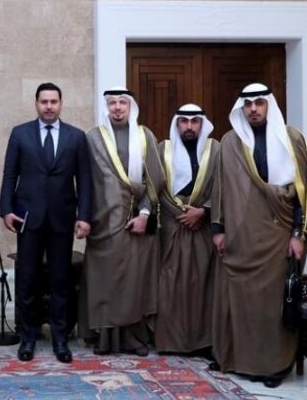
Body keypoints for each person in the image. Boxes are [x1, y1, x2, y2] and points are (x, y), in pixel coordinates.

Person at [210, 83, 306, 388]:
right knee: (242, 305)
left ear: (269, 105)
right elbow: (220, 188)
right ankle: (242, 361)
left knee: (272, 307)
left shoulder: (292, 139)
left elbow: (303, 193)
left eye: (259, 103)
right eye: (248, 104)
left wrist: (299, 234)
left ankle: (274, 366)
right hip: (240, 239)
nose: (253, 109)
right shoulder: (230, 142)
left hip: (279, 237)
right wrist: (218, 229)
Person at [0, 82, 92, 363]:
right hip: (28, 219)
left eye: (53, 102)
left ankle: (60, 339)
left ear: (61, 104)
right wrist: (6, 210)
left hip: (62, 219)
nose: (49, 106)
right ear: (36, 104)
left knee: (60, 281)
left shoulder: (76, 137)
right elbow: (9, 175)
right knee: (27, 280)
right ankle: (28, 338)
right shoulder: (20, 134)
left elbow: (84, 180)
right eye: (44, 102)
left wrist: (84, 216)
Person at [80, 87, 164, 357]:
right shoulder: (93, 138)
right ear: (107, 107)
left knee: (133, 281)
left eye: (122, 103)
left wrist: (144, 214)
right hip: (102, 222)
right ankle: (104, 338)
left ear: (130, 107)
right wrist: (84, 218)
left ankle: (134, 338)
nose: (117, 107)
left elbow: (155, 178)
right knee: (105, 280)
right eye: (113, 103)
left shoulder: (145, 135)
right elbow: (85, 180)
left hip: (136, 222)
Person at [155, 104, 219, 354]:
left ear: (202, 124)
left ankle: (202, 342)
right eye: (184, 121)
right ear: (177, 124)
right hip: (172, 226)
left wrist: (203, 211)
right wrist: (180, 213)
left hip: (203, 227)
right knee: (171, 284)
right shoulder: (163, 149)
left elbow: (223, 186)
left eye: (195, 121)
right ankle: (171, 342)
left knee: (201, 284)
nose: (189, 126)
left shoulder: (216, 150)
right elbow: (155, 186)